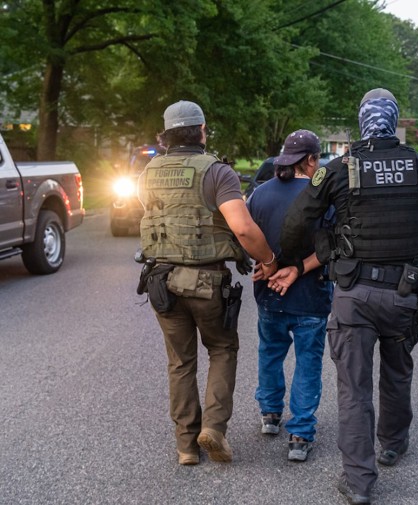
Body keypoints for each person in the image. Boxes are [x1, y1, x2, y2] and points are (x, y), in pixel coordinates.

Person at [278, 89, 418, 504]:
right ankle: (392, 444)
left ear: (361, 121)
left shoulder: (338, 168)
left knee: (353, 388)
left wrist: (289, 258)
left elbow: (298, 220)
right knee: (398, 372)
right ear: (395, 119)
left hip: (354, 293)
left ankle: (360, 483)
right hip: (405, 291)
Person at [136, 100, 278, 466]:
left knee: (180, 363)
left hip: (161, 281)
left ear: (166, 136)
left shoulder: (147, 173)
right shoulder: (217, 172)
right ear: (202, 131)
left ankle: (186, 446)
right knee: (221, 349)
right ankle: (213, 429)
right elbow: (243, 228)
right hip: (207, 281)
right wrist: (269, 261)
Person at [246, 130, 333, 462]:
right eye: (318, 159)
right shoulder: (323, 197)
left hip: (269, 294)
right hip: (311, 295)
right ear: (310, 160)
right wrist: (298, 267)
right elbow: (331, 248)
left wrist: (264, 263)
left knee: (270, 352)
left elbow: (244, 234)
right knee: (308, 362)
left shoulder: (260, 194)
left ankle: (270, 415)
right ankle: (300, 434)